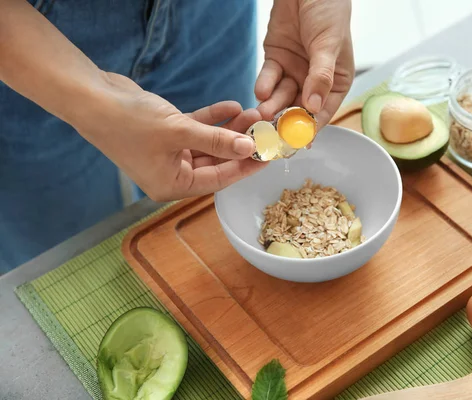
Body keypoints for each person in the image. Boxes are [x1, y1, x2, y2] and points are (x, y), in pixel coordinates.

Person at [0, 0, 355, 274]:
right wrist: (93, 100)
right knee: (72, 254)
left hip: (209, 15)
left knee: (199, 204)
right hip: (26, 42)